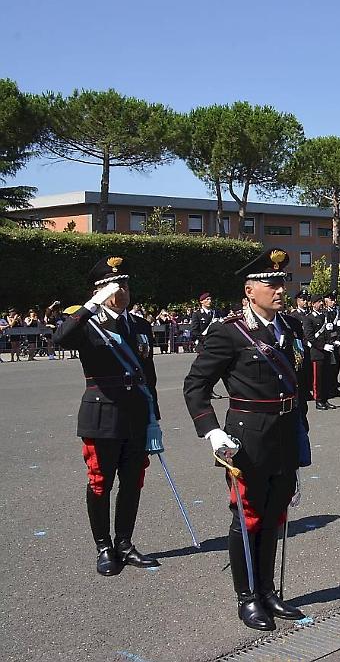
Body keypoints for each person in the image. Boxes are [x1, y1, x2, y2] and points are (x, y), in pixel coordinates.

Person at [182, 248, 311, 631]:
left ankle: (269, 590)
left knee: (275, 516)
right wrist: (210, 429)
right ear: (249, 290)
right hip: (247, 437)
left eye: (281, 282)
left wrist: (301, 432)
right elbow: (196, 385)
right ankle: (248, 596)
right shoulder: (229, 331)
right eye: (270, 283)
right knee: (247, 516)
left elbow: (297, 384)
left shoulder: (290, 327)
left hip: (286, 432)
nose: (279, 289)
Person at [52, 256, 161, 576]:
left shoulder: (139, 324)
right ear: (99, 290)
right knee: (101, 482)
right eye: (115, 286)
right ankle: (103, 546)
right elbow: (60, 339)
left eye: (125, 284)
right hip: (102, 414)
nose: (123, 290)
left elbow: (148, 374)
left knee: (133, 482)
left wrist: (154, 416)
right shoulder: (87, 323)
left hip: (136, 414)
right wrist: (91, 306)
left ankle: (124, 542)